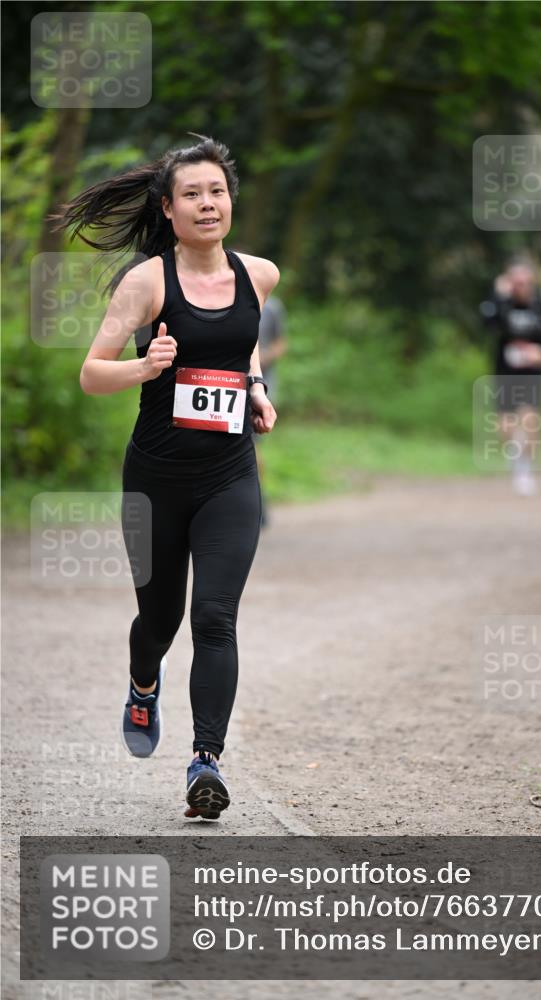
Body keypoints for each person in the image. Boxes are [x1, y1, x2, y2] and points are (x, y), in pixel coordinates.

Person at [54, 136, 279, 819]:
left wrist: (259, 390)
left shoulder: (259, 275)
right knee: (161, 618)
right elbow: (92, 375)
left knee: (215, 616)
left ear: (229, 200)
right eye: (191, 194)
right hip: (155, 479)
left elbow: (242, 351)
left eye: (216, 191)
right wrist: (145, 368)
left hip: (229, 475)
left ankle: (204, 761)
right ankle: (142, 682)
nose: (206, 204)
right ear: (168, 208)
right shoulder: (147, 282)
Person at [480, 260, 541, 495]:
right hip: (505, 371)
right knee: (505, 424)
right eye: (516, 283)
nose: (521, 287)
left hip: (532, 373)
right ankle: (515, 455)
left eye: (525, 283)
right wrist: (496, 295)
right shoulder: (501, 305)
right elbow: (487, 324)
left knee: (529, 419)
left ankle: (525, 468)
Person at [255, 295, 288, 526]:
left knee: (253, 445)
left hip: (263, 386)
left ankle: (258, 500)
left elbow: (281, 343)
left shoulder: (272, 306)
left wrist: (264, 358)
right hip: (228, 385)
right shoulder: (217, 297)